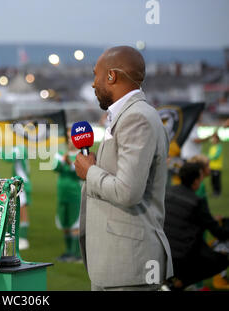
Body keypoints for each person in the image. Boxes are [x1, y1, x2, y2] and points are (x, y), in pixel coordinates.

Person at [74, 46, 173, 291]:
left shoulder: (136, 117)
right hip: (116, 263)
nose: (93, 84)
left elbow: (128, 191)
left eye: (96, 75)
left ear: (112, 76)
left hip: (129, 265)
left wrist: (90, 172)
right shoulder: (126, 116)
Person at [163, 162, 229, 290]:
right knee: (222, 259)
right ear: (196, 181)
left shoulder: (167, 192)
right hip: (181, 258)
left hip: (159, 251)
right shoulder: (197, 202)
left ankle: (168, 283)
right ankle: (176, 285)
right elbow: (219, 233)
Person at [52, 130, 83, 263]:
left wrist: (70, 165)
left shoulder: (81, 155)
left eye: (72, 137)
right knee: (64, 223)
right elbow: (55, 167)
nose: (70, 140)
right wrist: (62, 161)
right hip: (62, 194)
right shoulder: (60, 154)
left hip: (75, 194)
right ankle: (68, 251)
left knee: (74, 223)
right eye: (69, 137)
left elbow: (80, 173)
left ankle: (77, 254)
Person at [208, 132, 223, 197]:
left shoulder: (219, 147)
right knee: (213, 180)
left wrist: (209, 157)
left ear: (217, 140)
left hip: (217, 167)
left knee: (217, 180)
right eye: (212, 139)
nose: (213, 140)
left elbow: (216, 156)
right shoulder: (212, 147)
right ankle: (214, 192)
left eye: (214, 139)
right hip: (211, 167)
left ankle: (218, 192)